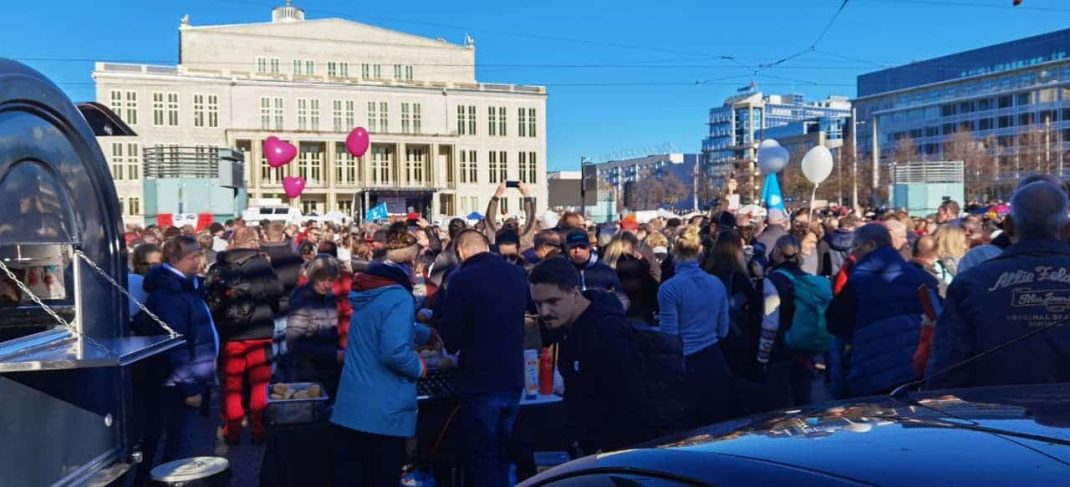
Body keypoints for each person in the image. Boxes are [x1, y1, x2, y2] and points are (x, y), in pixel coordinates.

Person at [930, 181, 1070, 388]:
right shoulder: (970, 283)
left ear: (1008, 226)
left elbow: (946, 372)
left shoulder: (971, 282)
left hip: (996, 414)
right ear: (1067, 230)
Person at [332, 232, 436, 487]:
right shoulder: (399, 297)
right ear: (412, 265)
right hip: (383, 411)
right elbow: (393, 350)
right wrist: (419, 367)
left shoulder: (372, 292)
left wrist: (424, 334)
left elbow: (380, 325)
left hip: (353, 406)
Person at [529, 258, 649, 455]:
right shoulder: (570, 330)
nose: (544, 312)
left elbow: (630, 398)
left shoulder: (606, 331)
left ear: (575, 293)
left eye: (552, 301)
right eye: (538, 303)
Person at [438, 229, 529, 486]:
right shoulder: (516, 273)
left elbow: (452, 339)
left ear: (460, 251)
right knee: (503, 449)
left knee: (482, 454)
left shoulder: (461, 279)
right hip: (513, 374)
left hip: (480, 379)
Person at [133, 236, 218, 484]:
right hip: (177, 383)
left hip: (185, 377)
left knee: (173, 444)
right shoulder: (169, 293)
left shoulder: (183, 286)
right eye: (192, 257)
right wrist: (190, 386)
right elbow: (175, 343)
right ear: (174, 260)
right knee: (176, 448)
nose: (198, 261)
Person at [825, 224, 939, 397]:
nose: (853, 252)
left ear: (870, 245)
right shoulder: (921, 277)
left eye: (856, 246)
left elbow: (835, 323)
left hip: (872, 371)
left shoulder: (859, 282)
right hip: (916, 368)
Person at [206, 227, 284, 444]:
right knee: (259, 383)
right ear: (251, 241)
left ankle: (232, 431)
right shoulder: (259, 263)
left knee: (232, 385)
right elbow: (277, 290)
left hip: (230, 332)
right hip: (259, 331)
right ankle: (258, 429)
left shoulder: (219, 263)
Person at [657, 225, 731, 425]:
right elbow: (723, 328)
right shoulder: (716, 283)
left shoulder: (670, 288)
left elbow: (669, 336)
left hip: (686, 363)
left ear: (673, 251)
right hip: (714, 359)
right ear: (700, 251)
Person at [761, 235, 820, 407]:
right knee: (803, 401)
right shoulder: (806, 277)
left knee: (779, 404)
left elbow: (770, 322)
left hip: (781, 350)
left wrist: (762, 356)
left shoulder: (774, 279)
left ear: (778, 251)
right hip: (804, 348)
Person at [282, 256, 343, 397]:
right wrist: (333, 355)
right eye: (323, 279)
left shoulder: (329, 298)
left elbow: (331, 333)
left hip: (329, 373)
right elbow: (295, 343)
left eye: (331, 280)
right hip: (308, 374)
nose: (327, 285)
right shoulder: (302, 300)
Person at [602, 232, 659, 324]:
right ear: (631, 245)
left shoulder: (604, 266)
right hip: (638, 312)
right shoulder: (638, 265)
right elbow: (651, 288)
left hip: (612, 314)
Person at [563, 229, 626, 303]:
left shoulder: (605, 270)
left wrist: (612, 311)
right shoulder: (561, 271)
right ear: (567, 249)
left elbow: (622, 298)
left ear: (589, 247)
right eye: (573, 247)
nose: (577, 250)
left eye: (582, 246)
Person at [128, 243, 162, 318]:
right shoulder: (128, 282)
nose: (150, 268)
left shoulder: (169, 284)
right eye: (145, 264)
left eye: (155, 264)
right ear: (136, 264)